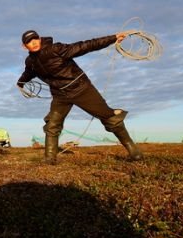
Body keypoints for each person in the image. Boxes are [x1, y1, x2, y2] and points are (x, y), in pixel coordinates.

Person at [16, 30, 144, 164]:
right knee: (52, 124)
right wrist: (20, 82)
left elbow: (86, 45)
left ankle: (134, 152)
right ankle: (49, 158)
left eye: (35, 39)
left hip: (81, 90)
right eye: (29, 41)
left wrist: (113, 38)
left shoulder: (56, 49)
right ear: (24, 46)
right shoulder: (30, 61)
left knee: (109, 118)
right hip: (60, 96)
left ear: (40, 39)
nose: (34, 42)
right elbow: (28, 73)